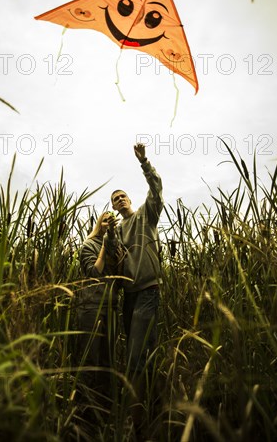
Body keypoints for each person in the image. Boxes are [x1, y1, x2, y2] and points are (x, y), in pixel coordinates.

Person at [109, 143, 164, 433]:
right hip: (128, 298)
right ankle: (155, 410)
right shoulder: (115, 233)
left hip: (147, 292)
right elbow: (111, 264)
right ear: (113, 207)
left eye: (122, 196)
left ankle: (136, 422)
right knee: (146, 353)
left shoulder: (146, 217)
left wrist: (144, 162)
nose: (119, 200)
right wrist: (106, 233)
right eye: (114, 199)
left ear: (129, 200)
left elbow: (156, 189)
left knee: (135, 358)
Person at [77, 211, 122, 395]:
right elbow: (94, 273)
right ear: (99, 225)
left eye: (111, 222)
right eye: (105, 221)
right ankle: (83, 404)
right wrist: (104, 244)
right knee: (89, 357)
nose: (108, 224)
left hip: (111, 306)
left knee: (107, 359)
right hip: (92, 305)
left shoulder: (118, 246)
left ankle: (104, 403)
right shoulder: (89, 244)